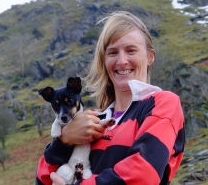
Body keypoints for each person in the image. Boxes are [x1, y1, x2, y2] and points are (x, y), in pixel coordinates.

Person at [35, 11, 185, 185]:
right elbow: (42, 179)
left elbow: (142, 175)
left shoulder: (162, 104)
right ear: (104, 61)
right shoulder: (93, 120)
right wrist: (64, 140)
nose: (122, 61)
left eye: (131, 50)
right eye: (112, 53)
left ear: (150, 57)